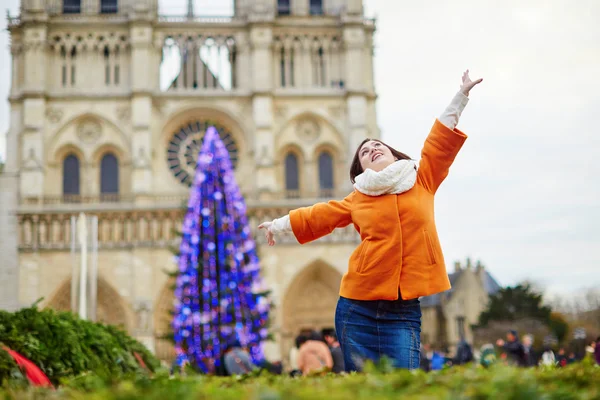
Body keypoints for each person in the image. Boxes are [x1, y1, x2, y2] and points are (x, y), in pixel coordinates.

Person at [259, 71, 482, 371]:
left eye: (378, 146)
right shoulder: (359, 197)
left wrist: (461, 96)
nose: (373, 149)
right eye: (365, 152)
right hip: (357, 306)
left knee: (404, 382)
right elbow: (321, 215)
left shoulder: (422, 180)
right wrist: (277, 225)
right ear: (361, 168)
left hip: (403, 309)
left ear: (391, 153)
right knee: (363, 386)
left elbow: (438, 143)